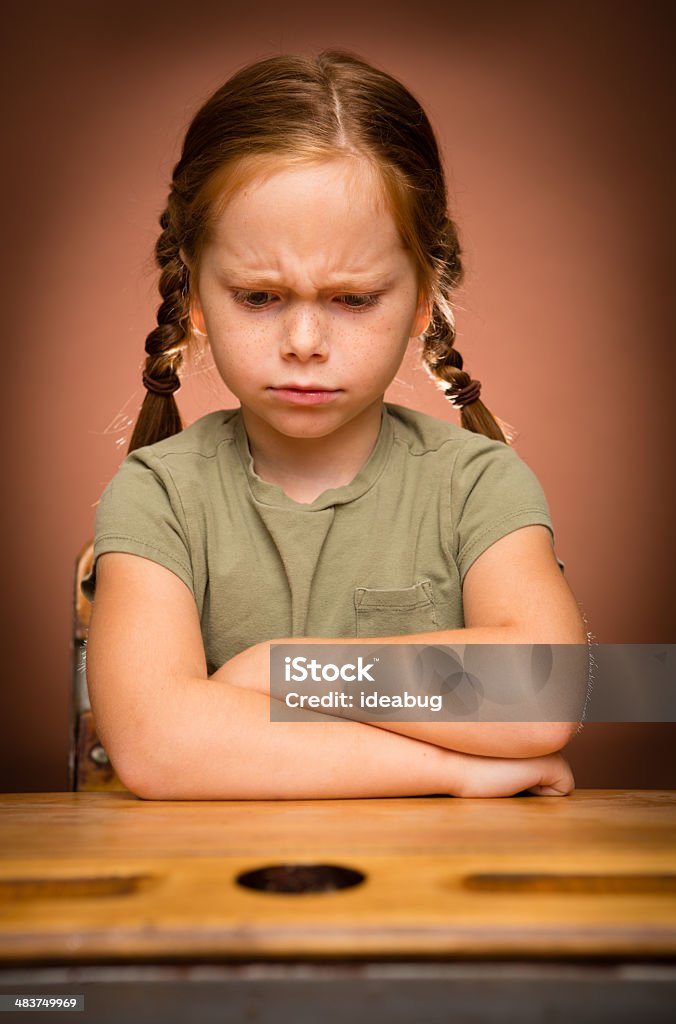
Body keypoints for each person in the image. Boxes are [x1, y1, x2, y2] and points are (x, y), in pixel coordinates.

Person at [81, 49, 587, 801]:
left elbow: (551, 690)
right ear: (192, 293)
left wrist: (283, 671)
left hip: (438, 904)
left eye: (352, 299)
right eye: (259, 297)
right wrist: (456, 768)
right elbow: (155, 747)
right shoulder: (157, 493)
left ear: (424, 300)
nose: (306, 343)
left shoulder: (478, 482)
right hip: (200, 901)